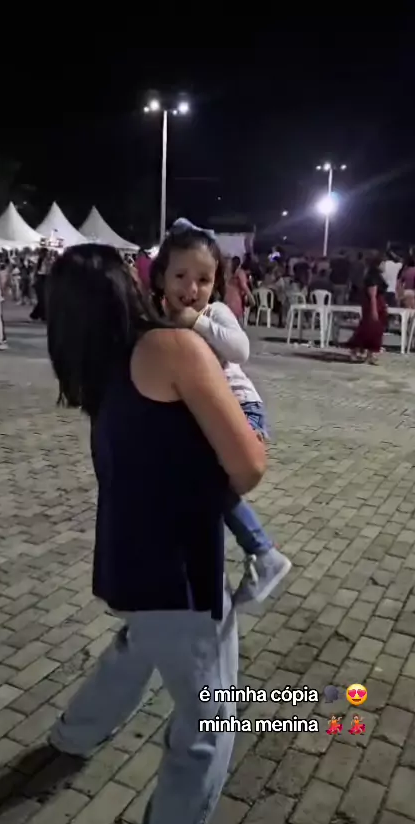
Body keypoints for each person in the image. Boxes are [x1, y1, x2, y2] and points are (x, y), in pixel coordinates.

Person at [46, 243, 266, 824]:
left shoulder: (100, 366)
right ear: (124, 288)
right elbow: (248, 466)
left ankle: (74, 734)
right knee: (211, 718)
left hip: (128, 556)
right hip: (179, 568)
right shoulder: (171, 348)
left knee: (138, 647)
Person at [151, 220, 291, 603]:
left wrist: (197, 322)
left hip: (241, 407)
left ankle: (262, 552)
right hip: (206, 413)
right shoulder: (158, 319)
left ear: (216, 283)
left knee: (210, 483)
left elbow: (240, 350)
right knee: (203, 485)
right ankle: (257, 555)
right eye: (181, 276)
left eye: (204, 279)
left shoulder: (214, 313)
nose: (192, 289)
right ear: (161, 277)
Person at [348, 254, 388, 365]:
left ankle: (371, 354)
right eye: (383, 264)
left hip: (379, 304)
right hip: (373, 305)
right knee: (368, 329)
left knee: (375, 331)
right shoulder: (372, 277)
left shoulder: (378, 276)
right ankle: (355, 350)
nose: (385, 266)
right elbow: (372, 295)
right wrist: (374, 310)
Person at [224, 256, 255, 324]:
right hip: (236, 302)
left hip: (226, 301)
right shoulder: (240, 273)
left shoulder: (227, 274)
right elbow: (244, 286)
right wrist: (252, 299)